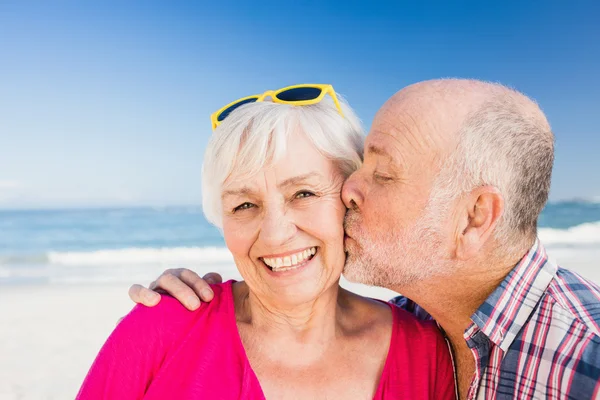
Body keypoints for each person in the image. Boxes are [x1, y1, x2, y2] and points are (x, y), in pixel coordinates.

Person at [132, 79, 600, 399]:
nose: (350, 190)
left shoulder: (586, 361)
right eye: (243, 205)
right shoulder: (422, 321)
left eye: (383, 173)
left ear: (474, 217)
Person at [77, 85, 456, 399]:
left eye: (304, 194)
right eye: (244, 204)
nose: (275, 234)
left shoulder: (425, 353)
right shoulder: (161, 327)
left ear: (351, 197)